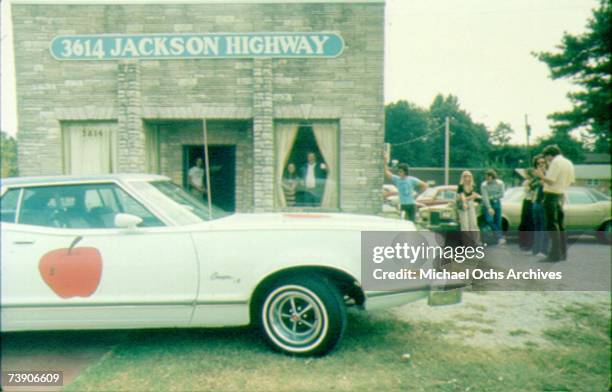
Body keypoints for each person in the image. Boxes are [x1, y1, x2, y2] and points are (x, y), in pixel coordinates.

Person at [535, 145, 575, 262]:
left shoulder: (555, 162)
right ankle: (562, 253)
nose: (547, 161)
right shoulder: (568, 162)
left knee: (552, 225)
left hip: (551, 195)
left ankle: (554, 255)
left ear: (550, 155)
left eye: (547, 158)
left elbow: (551, 180)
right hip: (561, 194)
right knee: (561, 226)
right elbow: (570, 181)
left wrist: (541, 175)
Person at [384, 154, 428, 221]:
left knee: (412, 222)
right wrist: (385, 161)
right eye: (398, 171)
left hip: (411, 205)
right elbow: (386, 172)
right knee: (403, 222)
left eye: (400, 171)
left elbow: (425, 185)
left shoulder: (411, 179)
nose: (399, 173)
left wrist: (417, 194)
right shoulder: (397, 179)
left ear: (405, 171)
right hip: (403, 205)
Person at [480, 169, 506, 245]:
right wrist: (489, 207)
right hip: (488, 203)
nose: (487, 179)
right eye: (486, 177)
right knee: (489, 220)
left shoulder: (500, 183)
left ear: (493, 177)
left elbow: (502, 194)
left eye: (489, 177)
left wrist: (492, 197)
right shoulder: (484, 185)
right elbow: (485, 197)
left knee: (498, 221)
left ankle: (498, 239)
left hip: (497, 202)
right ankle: (500, 237)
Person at [530, 154, 549, 256]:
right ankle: (536, 249)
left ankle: (543, 250)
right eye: (538, 163)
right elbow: (531, 186)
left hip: (545, 202)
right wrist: (538, 180)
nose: (541, 165)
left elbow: (549, 184)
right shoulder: (536, 175)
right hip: (536, 202)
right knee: (537, 227)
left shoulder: (550, 173)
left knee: (544, 227)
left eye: (543, 163)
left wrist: (543, 177)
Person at [456, 171, 480, 245]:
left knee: (473, 223)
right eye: (465, 176)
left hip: (471, 205)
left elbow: (475, 196)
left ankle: (476, 241)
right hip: (463, 206)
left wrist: (469, 198)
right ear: (463, 177)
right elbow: (463, 197)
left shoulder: (473, 186)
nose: (467, 178)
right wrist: (468, 199)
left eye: (469, 176)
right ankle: (467, 243)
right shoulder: (460, 186)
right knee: (465, 225)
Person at [518, 169, 535, 250]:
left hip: (531, 201)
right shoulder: (526, 182)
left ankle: (530, 243)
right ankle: (524, 242)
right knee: (524, 222)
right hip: (527, 201)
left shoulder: (533, 182)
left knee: (530, 222)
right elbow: (527, 189)